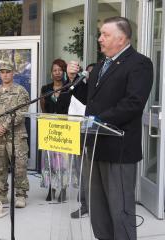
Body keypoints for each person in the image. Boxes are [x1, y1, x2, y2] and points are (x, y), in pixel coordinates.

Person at [67, 17, 153, 240]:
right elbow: (88, 100)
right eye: (100, 34)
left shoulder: (139, 64)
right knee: (99, 210)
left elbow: (133, 104)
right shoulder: (100, 66)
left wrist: (96, 120)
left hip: (119, 150)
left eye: (105, 34)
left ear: (121, 38)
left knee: (119, 211)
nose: (100, 39)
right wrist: (73, 79)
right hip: (95, 147)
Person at [0, 62, 30, 208]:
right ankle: (2, 194)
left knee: (19, 166)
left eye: (8, 72)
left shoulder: (21, 91)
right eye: (2, 72)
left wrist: (4, 125)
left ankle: (21, 195)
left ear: (13, 73)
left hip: (16, 136)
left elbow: (21, 113)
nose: (5, 74)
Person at [40, 59, 71, 202]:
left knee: (63, 162)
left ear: (64, 71)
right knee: (49, 161)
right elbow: (43, 109)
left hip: (66, 129)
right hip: (50, 129)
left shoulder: (69, 87)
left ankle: (63, 189)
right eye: (54, 70)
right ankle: (51, 188)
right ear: (51, 73)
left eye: (60, 70)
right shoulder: (45, 89)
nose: (57, 73)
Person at [70, 63, 96, 219]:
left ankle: (98, 207)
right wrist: (74, 78)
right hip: (79, 138)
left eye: (94, 73)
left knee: (95, 176)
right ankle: (85, 205)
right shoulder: (81, 89)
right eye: (88, 73)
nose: (90, 76)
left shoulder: (106, 91)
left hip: (99, 140)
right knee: (82, 174)